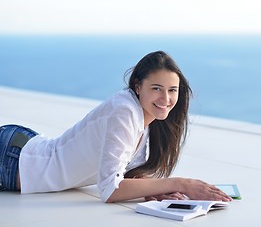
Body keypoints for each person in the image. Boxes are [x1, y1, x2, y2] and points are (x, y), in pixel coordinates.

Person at [0, 51, 232, 203]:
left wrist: (149, 187)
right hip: (13, 160)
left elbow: (118, 171)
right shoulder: (124, 111)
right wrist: (180, 183)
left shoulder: (148, 120)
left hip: (25, 146)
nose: (166, 98)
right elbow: (110, 190)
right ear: (138, 86)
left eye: (172, 90)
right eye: (156, 88)